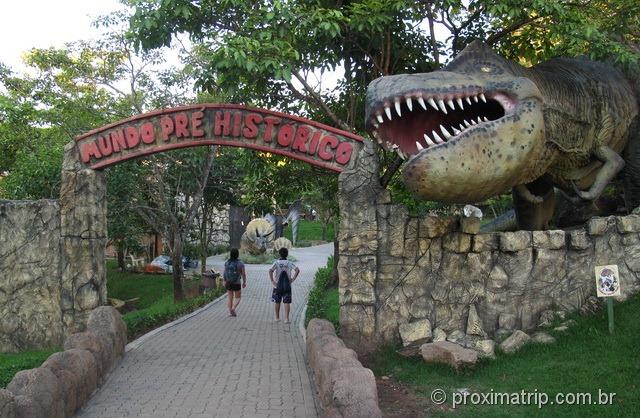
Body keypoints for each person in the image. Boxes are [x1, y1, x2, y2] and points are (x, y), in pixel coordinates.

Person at [269, 247, 299, 323]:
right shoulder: (289, 263)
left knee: (277, 301)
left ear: (279, 254)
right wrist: (293, 279)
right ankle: (286, 319)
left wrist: (272, 280)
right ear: (287, 254)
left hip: (277, 286)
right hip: (287, 285)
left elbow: (270, 270)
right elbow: (297, 270)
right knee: (287, 302)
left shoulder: (276, 262)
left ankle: (277, 318)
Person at [223, 248, 246, 317]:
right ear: (237, 255)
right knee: (238, 297)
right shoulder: (240, 263)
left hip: (228, 282)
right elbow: (243, 274)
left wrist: (224, 280)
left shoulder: (227, 262)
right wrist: (244, 282)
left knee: (230, 297)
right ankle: (233, 308)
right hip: (236, 283)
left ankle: (230, 313)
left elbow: (224, 272)